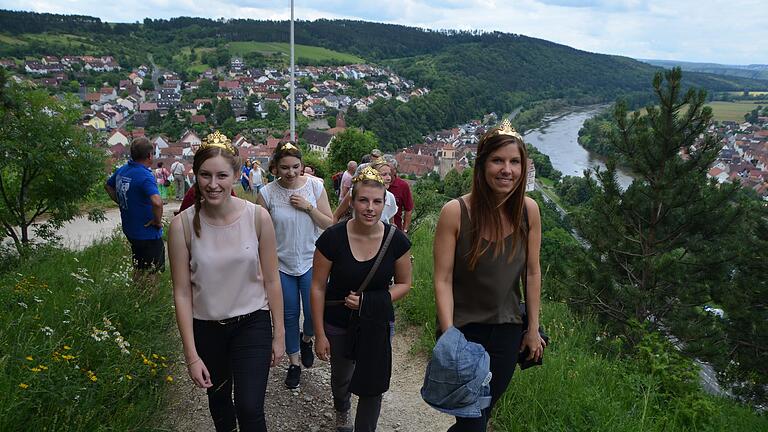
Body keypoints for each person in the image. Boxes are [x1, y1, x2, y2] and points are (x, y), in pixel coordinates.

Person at [432, 120, 546, 432]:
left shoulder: (528, 211)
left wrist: (532, 329)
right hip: (465, 332)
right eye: (498, 160)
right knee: (472, 421)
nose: (506, 169)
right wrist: (448, 333)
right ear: (482, 164)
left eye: (514, 161)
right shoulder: (455, 213)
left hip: (507, 333)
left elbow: (532, 273)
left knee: (481, 413)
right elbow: (442, 279)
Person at [168, 131, 285, 432]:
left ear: (236, 175)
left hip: (252, 324)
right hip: (207, 328)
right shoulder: (181, 226)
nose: (213, 184)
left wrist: (280, 334)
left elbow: (272, 280)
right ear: (196, 175)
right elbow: (182, 293)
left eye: (222, 175)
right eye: (205, 175)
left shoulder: (257, 218)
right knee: (220, 408)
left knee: (249, 408)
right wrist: (191, 355)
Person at [310, 166, 412, 432]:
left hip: (376, 322)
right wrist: (319, 334)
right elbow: (318, 287)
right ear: (352, 201)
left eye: (377, 201)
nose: (370, 208)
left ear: (385, 203)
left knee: (372, 383)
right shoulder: (332, 239)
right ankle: (342, 408)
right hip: (339, 321)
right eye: (363, 200)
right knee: (342, 378)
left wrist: (368, 301)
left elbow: (404, 284)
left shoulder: (396, 240)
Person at [257, 142, 333, 389]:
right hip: (281, 263)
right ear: (275, 168)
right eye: (285, 167)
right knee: (288, 315)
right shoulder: (267, 193)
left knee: (312, 313)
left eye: (295, 167)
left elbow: (328, 224)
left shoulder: (315, 186)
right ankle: (293, 363)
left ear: (302, 165)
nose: (290, 172)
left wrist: (308, 207)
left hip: (312, 261)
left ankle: (307, 338)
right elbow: (257, 231)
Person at [105, 137, 165, 282]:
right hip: (147, 233)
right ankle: (149, 301)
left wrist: (121, 202)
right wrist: (157, 221)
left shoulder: (123, 170)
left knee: (139, 266)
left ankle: (136, 296)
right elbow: (157, 202)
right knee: (152, 270)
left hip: (131, 230)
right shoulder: (145, 176)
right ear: (150, 155)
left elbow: (108, 186)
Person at [333, 160, 397, 224]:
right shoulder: (354, 192)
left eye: (389, 174)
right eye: (384, 174)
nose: (389, 178)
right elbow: (336, 216)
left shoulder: (390, 197)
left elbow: (391, 223)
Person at [383, 156, 414, 233]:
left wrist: (405, 230)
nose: (388, 174)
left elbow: (408, 209)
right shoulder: (376, 184)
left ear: (395, 170)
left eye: (390, 171)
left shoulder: (403, 186)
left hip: (394, 230)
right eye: (384, 172)